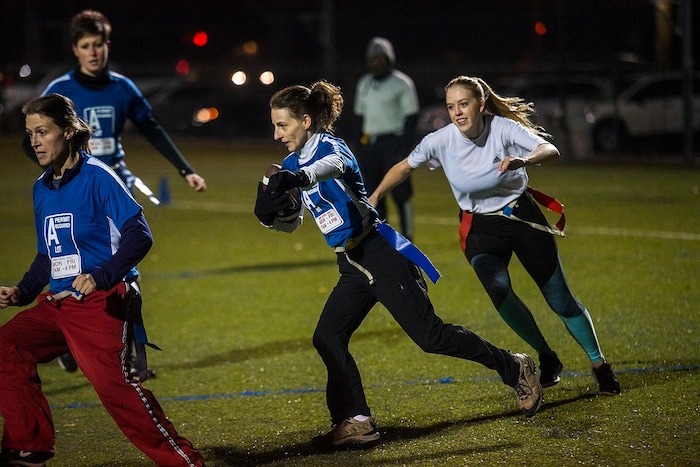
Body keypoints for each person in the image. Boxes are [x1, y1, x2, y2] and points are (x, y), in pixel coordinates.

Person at [254, 80, 543, 451]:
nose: (277, 135)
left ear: (306, 121)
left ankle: (514, 366)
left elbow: (331, 167)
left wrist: (299, 177)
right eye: (275, 126)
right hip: (352, 264)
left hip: (381, 253)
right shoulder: (293, 164)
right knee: (327, 336)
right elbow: (295, 220)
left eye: (283, 125)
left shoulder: (331, 148)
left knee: (431, 337)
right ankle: (356, 420)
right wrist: (270, 215)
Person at [368, 75, 621, 395]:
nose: (457, 112)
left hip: (521, 217)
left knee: (561, 300)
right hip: (479, 228)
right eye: (450, 106)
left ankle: (600, 365)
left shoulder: (503, 128)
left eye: (464, 104)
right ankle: (546, 357)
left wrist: (523, 159)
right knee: (499, 291)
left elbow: (549, 149)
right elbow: (404, 167)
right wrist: (375, 197)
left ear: (481, 104)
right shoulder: (441, 140)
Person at [0, 94, 206, 466]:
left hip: (101, 302)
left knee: (117, 392)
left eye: (42, 132)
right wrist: (22, 291)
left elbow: (140, 235)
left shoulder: (98, 176)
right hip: (59, 304)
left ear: (67, 131)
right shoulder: (41, 187)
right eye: (30, 133)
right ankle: (28, 445)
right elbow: (49, 255)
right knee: (7, 346)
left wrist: (102, 276)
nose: (34, 141)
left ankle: (183, 461)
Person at [28, 9, 207, 378]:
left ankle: (134, 362)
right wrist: (59, 182)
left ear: (107, 46)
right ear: (75, 50)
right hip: (76, 192)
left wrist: (184, 168)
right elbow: (31, 141)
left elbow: (151, 128)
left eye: (98, 45)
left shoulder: (122, 87)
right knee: (76, 268)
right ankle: (73, 340)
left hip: (111, 187)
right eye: (85, 46)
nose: (93, 52)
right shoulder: (60, 90)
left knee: (127, 271)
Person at [353, 37, 419, 240]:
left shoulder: (402, 83)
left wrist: (405, 148)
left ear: (390, 59)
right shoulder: (364, 83)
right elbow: (358, 116)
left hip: (393, 143)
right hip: (371, 144)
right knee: (373, 193)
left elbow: (411, 116)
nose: (377, 62)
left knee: (400, 193)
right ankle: (383, 236)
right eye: (374, 58)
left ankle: (408, 235)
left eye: (381, 58)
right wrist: (360, 145)